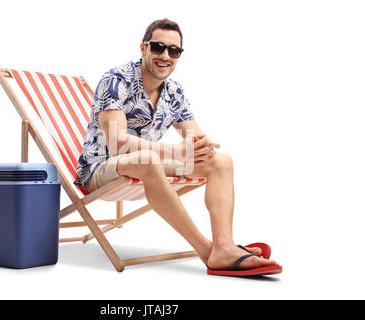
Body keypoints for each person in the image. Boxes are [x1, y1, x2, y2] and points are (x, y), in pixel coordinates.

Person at [73, 18, 282, 276]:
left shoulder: (174, 92)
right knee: (148, 158)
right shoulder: (116, 80)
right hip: (100, 169)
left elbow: (196, 138)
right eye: (158, 47)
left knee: (220, 162)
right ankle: (208, 251)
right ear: (143, 48)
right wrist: (179, 151)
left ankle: (225, 245)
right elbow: (117, 142)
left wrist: (200, 147)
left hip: (144, 165)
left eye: (174, 50)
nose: (165, 55)